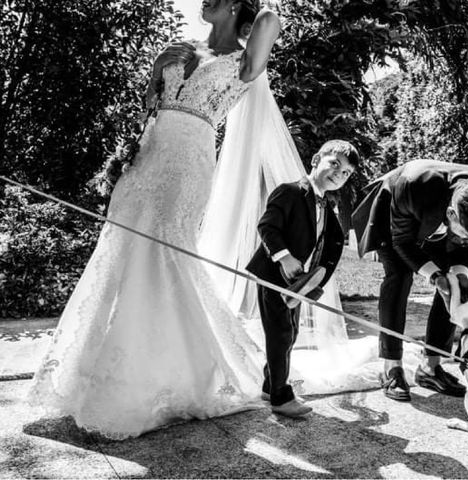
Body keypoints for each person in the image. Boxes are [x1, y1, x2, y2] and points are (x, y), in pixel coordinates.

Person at [28, 0, 281, 439]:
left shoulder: (243, 61)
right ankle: (94, 374)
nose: (204, 2)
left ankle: (172, 378)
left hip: (188, 163)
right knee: (120, 254)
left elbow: (269, 21)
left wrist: (250, 7)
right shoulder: (179, 48)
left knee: (164, 253)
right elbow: (151, 106)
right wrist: (155, 74)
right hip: (147, 158)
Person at [351, 159, 468, 401]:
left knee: (456, 287)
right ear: (451, 214)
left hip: (439, 222)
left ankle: (430, 368)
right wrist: (435, 276)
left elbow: (464, 246)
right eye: (467, 235)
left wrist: (458, 280)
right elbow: (402, 242)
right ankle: (391, 367)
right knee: (399, 277)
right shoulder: (414, 185)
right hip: (394, 219)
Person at [246, 140, 359, 417]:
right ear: (316, 159)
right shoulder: (291, 191)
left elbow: (323, 242)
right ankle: (281, 398)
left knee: (291, 333)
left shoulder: (326, 204)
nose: (339, 174)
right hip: (274, 275)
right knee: (281, 333)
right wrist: (284, 257)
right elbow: (267, 226)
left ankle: (270, 383)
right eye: (335, 164)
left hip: (297, 282)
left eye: (346, 173)